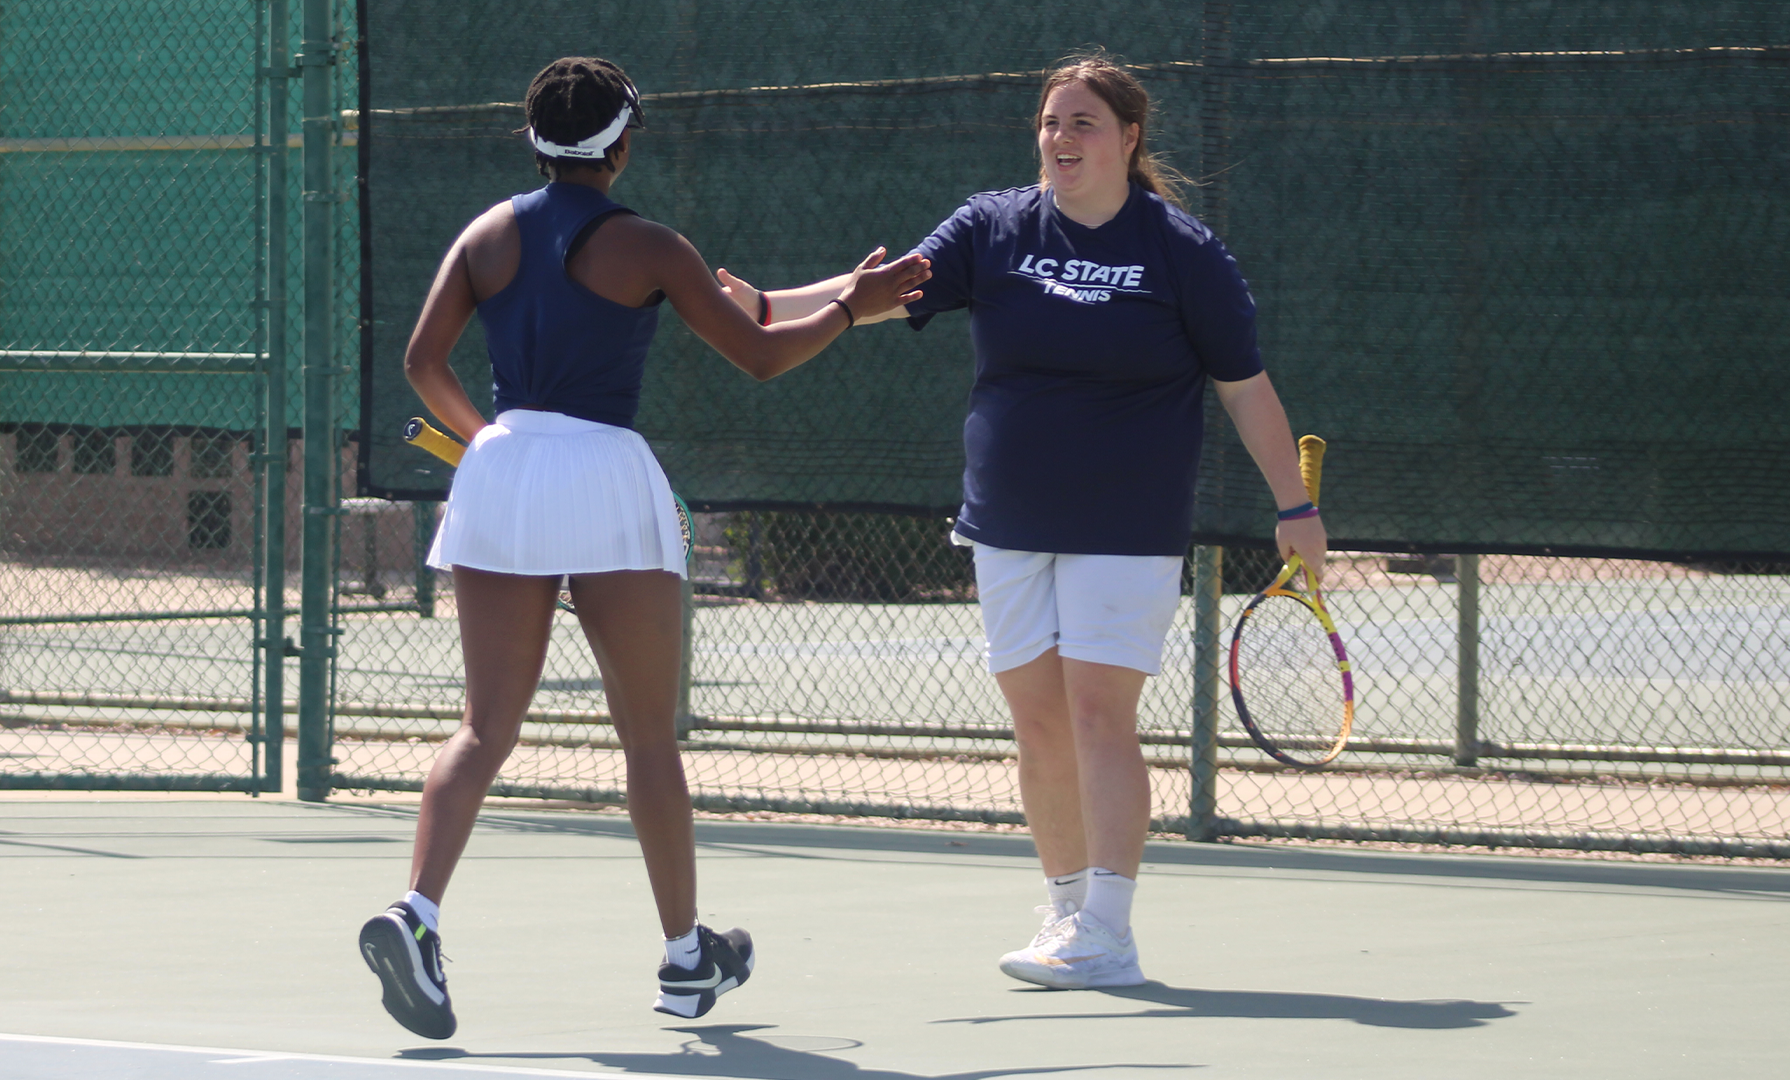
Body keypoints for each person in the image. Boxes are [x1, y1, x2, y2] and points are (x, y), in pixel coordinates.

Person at [717, 52, 1326, 990]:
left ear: (1128, 139)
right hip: (1006, 518)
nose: (1060, 139)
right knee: (1038, 724)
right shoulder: (991, 226)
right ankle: (1068, 912)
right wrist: (764, 306)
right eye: (1050, 123)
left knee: (1096, 713)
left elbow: (1245, 389)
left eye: (1083, 123)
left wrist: (1295, 504)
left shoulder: (1185, 253)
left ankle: (1110, 932)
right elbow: (880, 290)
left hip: (1126, 522)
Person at [357, 56, 930, 1039]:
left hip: (502, 473)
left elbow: (422, 362)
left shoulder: (486, 233)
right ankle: (683, 962)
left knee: (483, 729)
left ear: (535, 140)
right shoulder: (650, 245)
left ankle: (415, 916)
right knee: (649, 738)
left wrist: (489, 444)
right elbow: (755, 351)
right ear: (623, 146)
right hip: (604, 479)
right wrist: (848, 311)